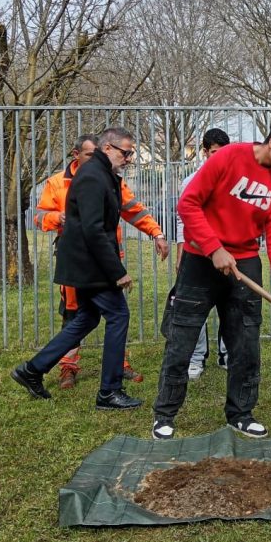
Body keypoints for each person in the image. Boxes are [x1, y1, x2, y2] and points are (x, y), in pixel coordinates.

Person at [152, 115, 271, 441]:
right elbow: (188, 204)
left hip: (245, 264)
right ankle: (164, 415)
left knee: (245, 344)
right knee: (182, 341)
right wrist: (214, 248)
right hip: (199, 261)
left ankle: (241, 414)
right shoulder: (228, 157)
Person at [11, 127, 144, 410]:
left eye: (130, 153)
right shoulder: (94, 177)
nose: (129, 158)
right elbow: (93, 230)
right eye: (126, 152)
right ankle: (109, 391)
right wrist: (118, 271)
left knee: (86, 319)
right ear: (107, 148)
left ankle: (32, 370)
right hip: (90, 265)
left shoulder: (101, 174)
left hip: (85, 263)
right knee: (118, 315)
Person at [34, 133, 170, 388]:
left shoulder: (110, 178)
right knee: (83, 314)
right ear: (77, 155)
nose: (94, 157)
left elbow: (133, 209)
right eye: (90, 154)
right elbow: (43, 217)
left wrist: (156, 232)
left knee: (97, 316)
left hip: (105, 259)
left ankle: (36, 369)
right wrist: (57, 218)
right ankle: (71, 368)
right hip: (83, 261)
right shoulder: (61, 182)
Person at [175, 128, 231, 380]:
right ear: (205, 152)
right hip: (198, 255)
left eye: (224, 152)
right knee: (194, 309)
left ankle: (227, 354)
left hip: (227, 254)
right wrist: (181, 253)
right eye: (215, 153)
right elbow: (182, 220)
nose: (220, 158)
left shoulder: (233, 180)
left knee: (230, 306)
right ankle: (196, 358)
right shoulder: (190, 181)